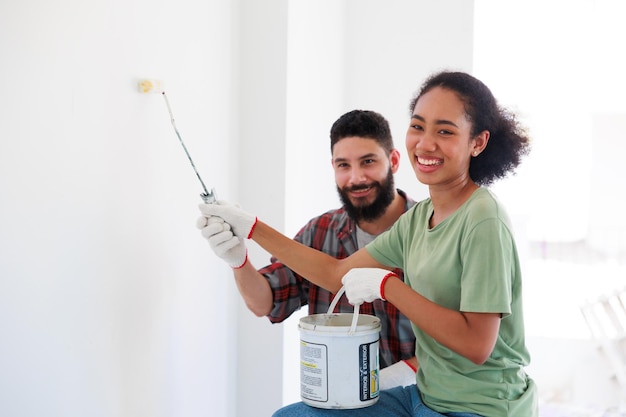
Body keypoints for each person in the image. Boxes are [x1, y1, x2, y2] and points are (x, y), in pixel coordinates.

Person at [198, 71, 538, 416]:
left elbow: (477, 344)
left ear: (477, 142)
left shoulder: (483, 218)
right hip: (426, 396)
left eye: (445, 131)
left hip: (480, 406)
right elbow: (337, 275)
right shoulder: (420, 219)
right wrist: (251, 229)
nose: (425, 143)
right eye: (418, 126)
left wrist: (388, 286)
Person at [198, 109, 418, 388]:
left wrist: (399, 377)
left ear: (394, 160)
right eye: (343, 165)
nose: (356, 177)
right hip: (339, 398)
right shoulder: (319, 232)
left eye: (368, 161)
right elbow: (264, 302)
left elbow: (464, 339)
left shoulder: (430, 229)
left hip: (423, 397)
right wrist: (238, 261)